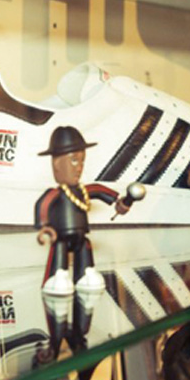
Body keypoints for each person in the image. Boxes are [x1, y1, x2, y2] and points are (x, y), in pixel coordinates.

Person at [35, 126, 134, 296]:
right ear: (57, 164)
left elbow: (99, 190)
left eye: (82, 161)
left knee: (85, 247)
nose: (79, 167)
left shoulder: (83, 191)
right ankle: (55, 277)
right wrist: (44, 226)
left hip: (81, 236)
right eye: (74, 160)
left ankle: (85, 274)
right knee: (59, 251)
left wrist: (120, 201)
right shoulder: (55, 193)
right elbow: (43, 205)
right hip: (61, 236)